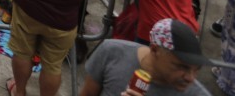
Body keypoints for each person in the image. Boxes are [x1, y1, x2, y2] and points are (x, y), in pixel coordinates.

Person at [80, 18, 211, 96]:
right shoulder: (111, 51)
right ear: (154, 49)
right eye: (182, 67)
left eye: (196, 69)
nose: (190, 78)